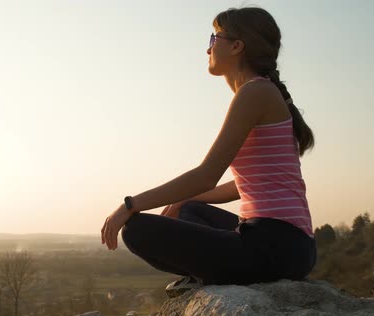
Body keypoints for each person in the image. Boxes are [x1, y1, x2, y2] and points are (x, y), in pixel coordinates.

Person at [100, 6, 317, 298]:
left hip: (276, 246)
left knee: (136, 229)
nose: (208, 48)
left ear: (237, 46)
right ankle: (212, 271)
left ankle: (210, 275)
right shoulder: (260, 93)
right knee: (189, 208)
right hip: (285, 244)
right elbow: (245, 184)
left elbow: (206, 176)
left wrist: (129, 205)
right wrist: (184, 199)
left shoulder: (254, 93)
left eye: (214, 39)